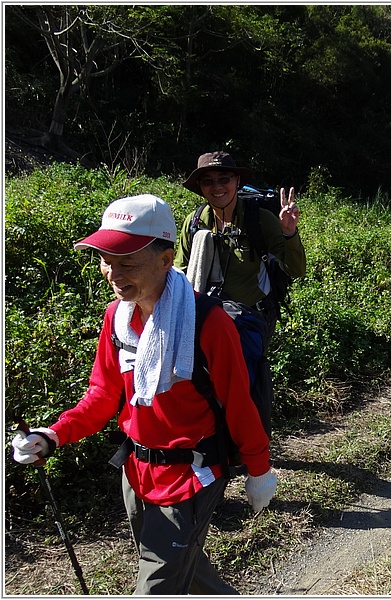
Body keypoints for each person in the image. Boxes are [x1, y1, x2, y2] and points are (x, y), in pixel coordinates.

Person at [11, 194, 277, 595]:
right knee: (186, 571)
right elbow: (102, 394)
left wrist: (259, 470)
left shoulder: (209, 322)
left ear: (166, 259)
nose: (113, 274)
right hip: (135, 472)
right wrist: (53, 434)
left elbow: (238, 404)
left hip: (192, 475)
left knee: (157, 585)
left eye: (127, 262)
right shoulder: (117, 318)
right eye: (106, 260)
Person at [174, 151, 307, 437]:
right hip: (206, 318)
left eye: (224, 179)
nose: (217, 187)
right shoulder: (195, 222)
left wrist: (288, 232)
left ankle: (251, 445)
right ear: (200, 187)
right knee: (206, 384)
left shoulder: (261, 220)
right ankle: (220, 443)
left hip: (252, 317)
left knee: (244, 384)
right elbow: (180, 273)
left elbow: (295, 269)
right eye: (208, 181)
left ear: (236, 181)